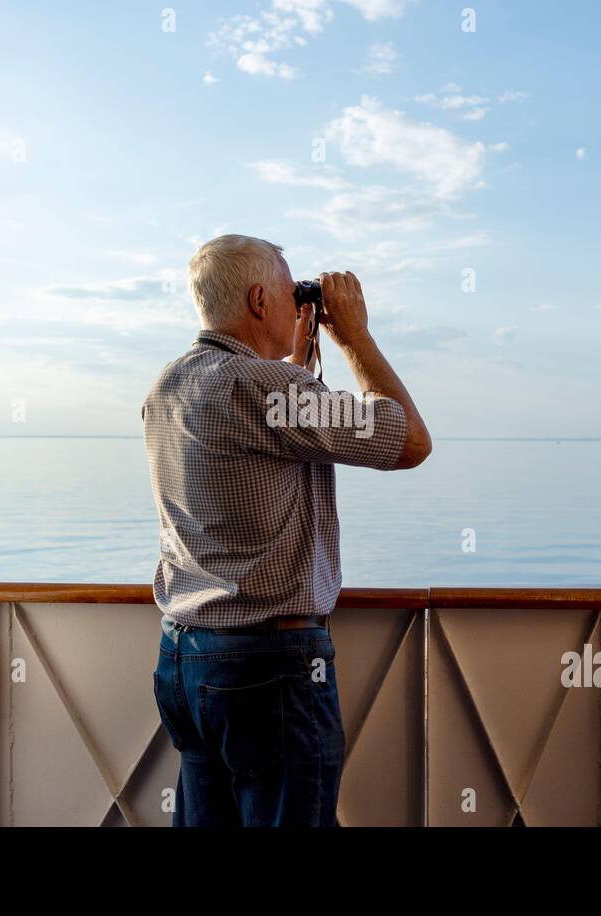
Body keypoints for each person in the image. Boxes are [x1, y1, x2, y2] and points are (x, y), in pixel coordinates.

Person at [142, 233, 431, 826]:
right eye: (289, 286)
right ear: (258, 300)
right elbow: (408, 441)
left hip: (184, 657)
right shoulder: (270, 390)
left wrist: (296, 367)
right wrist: (355, 337)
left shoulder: (168, 385)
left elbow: (262, 438)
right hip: (269, 669)